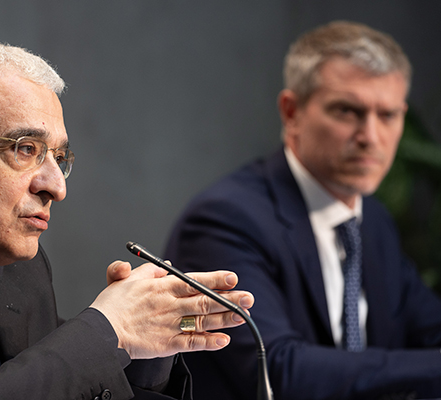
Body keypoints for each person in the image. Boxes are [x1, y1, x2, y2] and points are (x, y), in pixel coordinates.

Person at [0, 41, 255, 400]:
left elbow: (51, 386)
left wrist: (145, 346)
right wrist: (111, 329)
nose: (56, 187)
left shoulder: (17, 269)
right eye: (24, 149)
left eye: (59, 158)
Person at [164, 21, 441, 400]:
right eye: (347, 111)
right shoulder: (224, 219)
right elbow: (278, 370)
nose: (371, 137)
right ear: (292, 112)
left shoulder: (373, 221)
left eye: (388, 115)